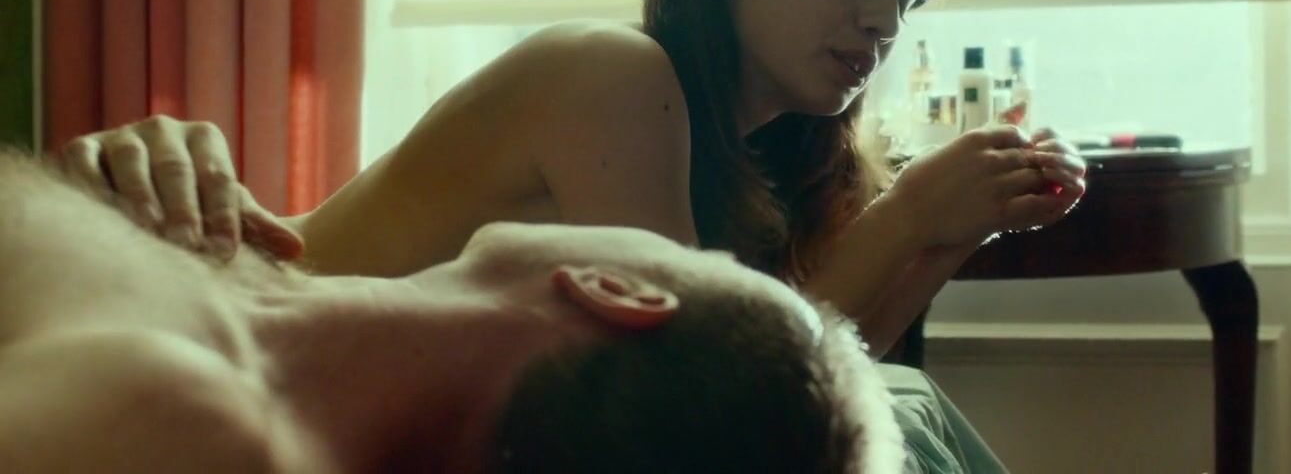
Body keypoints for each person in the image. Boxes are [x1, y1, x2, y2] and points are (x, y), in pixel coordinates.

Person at [61, 0, 1087, 471]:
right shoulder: (609, 76)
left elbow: (834, 374)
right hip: (217, 342)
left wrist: (952, 233)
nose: (880, 20)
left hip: (357, 414)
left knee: (905, 411)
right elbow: (710, 395)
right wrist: (907, 218)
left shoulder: (768, 155)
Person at [0, 150, 903, 473]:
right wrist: (98, 193)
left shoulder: (184, 422)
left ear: (621, 291)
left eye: (700, 256)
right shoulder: (239, 304)